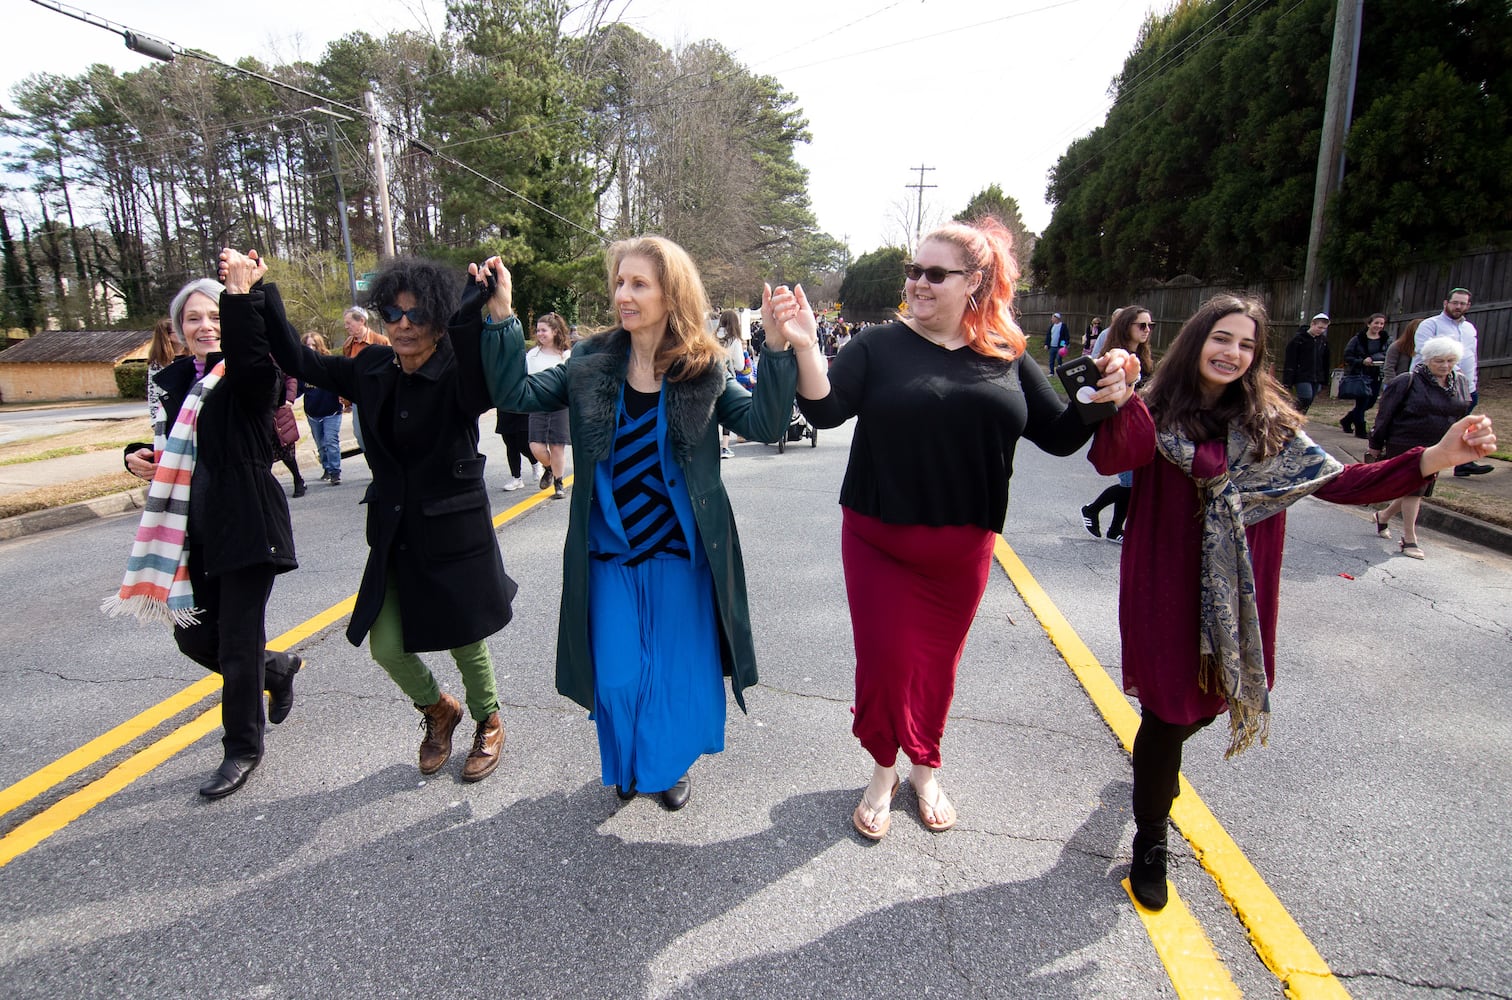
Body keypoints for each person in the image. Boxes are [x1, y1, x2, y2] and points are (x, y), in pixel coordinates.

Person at [1087, 293, 1496, 911]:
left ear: (1257, 356)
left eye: (1247, 344)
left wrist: (1438, 456)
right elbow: (1109, 457)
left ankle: (1155, 776)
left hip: (1240, 592)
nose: (1232, 352)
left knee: (1204, 706)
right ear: (1198, 340)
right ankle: (1150, 838)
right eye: (1222, 338)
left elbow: (1341, 482)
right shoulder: (1156, 411)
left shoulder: (1271, 424)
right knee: (1167, 713)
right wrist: (1117, 402)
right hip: (1164, 585)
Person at [772, 217, 1139, 841]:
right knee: (887, 663)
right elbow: (825, 410)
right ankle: (883, 771)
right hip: (877, 536)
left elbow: (1056, 434)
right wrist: (807, 346)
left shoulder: (1007, 352)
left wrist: (1104, 395)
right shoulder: (880, 345)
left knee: (938, 666)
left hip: (964, 545)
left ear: (976, 283)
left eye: (934, 273)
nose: (917, 282)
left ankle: (925, 765)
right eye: (913, 270)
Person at [475, 236, 800, 812]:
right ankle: (630, 757)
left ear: (670, 293)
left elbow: (766, 420)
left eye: (639, 284)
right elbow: (513, 391)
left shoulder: (703, 369)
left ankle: (666, 765)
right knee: (620, 676)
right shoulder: (589, 363)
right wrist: (502, 315)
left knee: (674, 676)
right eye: (620, 282)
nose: (623, 294)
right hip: (610, 558)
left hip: (680, 557)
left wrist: (777, 349)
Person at [259, 250, 519, 782]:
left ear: (438, 319)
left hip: (452, 528)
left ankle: (489, 720)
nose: (402, 325)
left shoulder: (459, 372)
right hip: (395, 532)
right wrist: (262, 292)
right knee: (385, 647)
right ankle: (437, 709)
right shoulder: (372, 367)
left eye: (416, 314)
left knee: (464, 635)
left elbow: (496, 373)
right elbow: (298, 360)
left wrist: (498, 306)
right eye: (392, 314)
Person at [109, 267, 302, 800]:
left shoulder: (248, 372)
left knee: (238, 644)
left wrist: (240, 298)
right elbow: (167, 442)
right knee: (193, 636)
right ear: (176, 330)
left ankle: (242, 747)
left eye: (216, 315)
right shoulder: (172, 383)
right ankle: (277, 668)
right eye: (192, 318)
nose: (205, 326)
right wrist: (135, 457)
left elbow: (252, 366)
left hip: (247, 521)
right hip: (193, 529)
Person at [1367, 337, 1472, 559]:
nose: (1445, 366)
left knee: (1417, 489)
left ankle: (1383, 516)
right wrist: (1375, 445)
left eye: (1450, 360)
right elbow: (1385, 414)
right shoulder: (1408, 380)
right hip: (1405, 441)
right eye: (1439, 361)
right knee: (1413, 489)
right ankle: (1409, 539)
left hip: (1438, 444)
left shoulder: (1460, 382)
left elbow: (1462, 412)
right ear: (1427, 360)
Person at [1080, 305, 1154, 541]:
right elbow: (1114, 397)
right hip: (1120, 426)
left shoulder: (1142, 356)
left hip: (1139, 425)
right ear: (1126, 326)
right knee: (1130, 483)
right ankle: (1092, 510)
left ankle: (1114, 530)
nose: (1147, 330)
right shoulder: (1116, 356)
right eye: (1141, 325)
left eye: (1150, 326)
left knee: (1132, 484)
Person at [1413, 288, 1489, 477]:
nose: (1458, 306)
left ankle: (1463, 463)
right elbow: (1424, 353)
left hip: (1466, 388)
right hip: (1437, 388)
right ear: (1446, 303)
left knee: (1463, 426)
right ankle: (1419, 464)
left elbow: (1472, 356)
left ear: (1468, 306)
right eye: (1455, 302)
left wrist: (1472, 380)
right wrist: (1453, 371)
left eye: (1463, 303)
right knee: (1436, 427)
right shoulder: (1431, 325)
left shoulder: (1469, 328)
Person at [527, 313, 573, 498]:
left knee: (556, 447)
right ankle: (549, 468)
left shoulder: (566, 355)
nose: (540, 334)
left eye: (544, 330)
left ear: (555, 331)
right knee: (536, 447)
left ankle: (559, 483)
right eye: (538, 330)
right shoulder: (532, 355)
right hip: (538, 404)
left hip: (560, 405)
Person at [338, 306, 390, 454]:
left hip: (378, 396)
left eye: (349, 323)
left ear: (361, 321)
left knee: (381, 433)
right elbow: (348, 373)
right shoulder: (348, 344)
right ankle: (373, 467)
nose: (346, 326)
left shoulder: (381, 341)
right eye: (345, 323)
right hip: (358, 397)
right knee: (360, 436)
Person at [299, 332, 344, 486]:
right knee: (321, 445)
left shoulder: (328, 363)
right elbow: (297, 389)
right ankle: (326, 467)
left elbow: (340, 383)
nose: (311, 348)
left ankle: (335, 471)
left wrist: (344, 398)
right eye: (308, 345)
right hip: (313, 413)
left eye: (313, 345)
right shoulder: (302, 367)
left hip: (332, 411)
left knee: (331, 441)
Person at [1339, 313, 1390, 439]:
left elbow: (1387, 354)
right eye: (1376, 323)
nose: (1378, 326)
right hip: (1360, 375)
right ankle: (1360, 430)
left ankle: (1346, 420)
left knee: (1371, 403)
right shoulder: (1357, 339)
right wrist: (1361, 361)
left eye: (1381, 323)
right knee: (1362, 403)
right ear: (1369, 324)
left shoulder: (1386, 340)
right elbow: (1348, 356)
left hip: (1376, 374)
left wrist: (1373, 358)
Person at [1281, 312, 1331, 414]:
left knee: (1309, 401)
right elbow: (1290, 360)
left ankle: (1298, 419)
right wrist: (1288, 380)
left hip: (1316, 375)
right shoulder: (1299, 340)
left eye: (1324, 328)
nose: (1321, 331)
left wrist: (1325, 379)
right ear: (1313, 324)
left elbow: (1326, 360)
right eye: (1319, 327)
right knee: (1305, 397)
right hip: (1302, 375)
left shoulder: (1323, 341)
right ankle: (1290, 414)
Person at [714, 309, 747, 459]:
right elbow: (740, 365)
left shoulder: (712, 335)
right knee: (726, 409)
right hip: (726, 376)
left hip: (708, 377)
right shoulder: (734, 340)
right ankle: (725, 447)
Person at [271, 366, 307, 498]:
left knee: (287, 451)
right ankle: (266, 488)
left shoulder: (275, 356)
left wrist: (289, 398)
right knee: (265, 454)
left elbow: (290, 377)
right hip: (262, 412)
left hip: (280, 409)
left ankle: (298, 479)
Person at [145, 316, 187, 425]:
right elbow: (153, 393)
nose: (183, 333)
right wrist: (155, 421)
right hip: (171, 412)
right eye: (178, 331)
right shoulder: (159, 364)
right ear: (167, 336)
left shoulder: (193, 356)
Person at [494, 407, 538, 491]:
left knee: (523, 444)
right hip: (505, 408)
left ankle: (535, 462)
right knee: (510, 445)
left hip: (522, 407)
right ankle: (516, 478)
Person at [1382, 318, 1421, 383]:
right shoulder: (1396, 346)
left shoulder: (1423, 348)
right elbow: (1389, 368)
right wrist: (1395, 384)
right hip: (1395, 383)